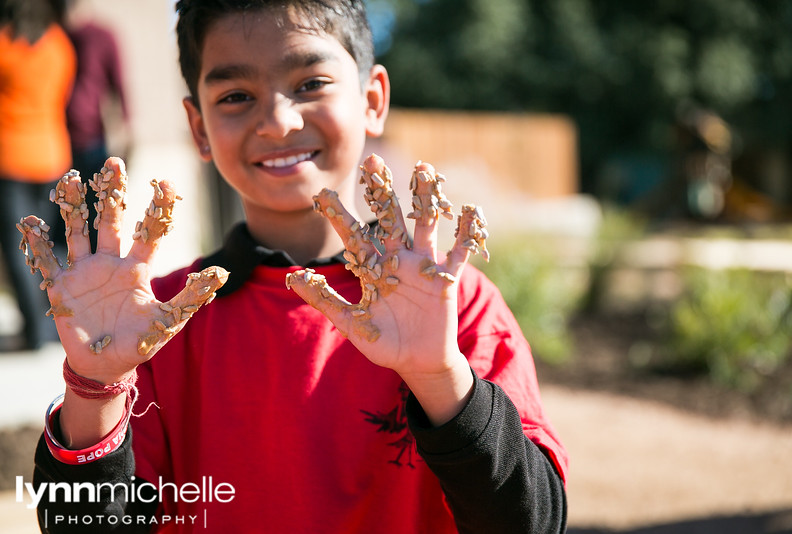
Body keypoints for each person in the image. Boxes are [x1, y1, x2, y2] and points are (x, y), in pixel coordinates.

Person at [24, 1, 568, 532]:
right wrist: (94, 384)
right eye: (236, 95)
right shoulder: (153, 326)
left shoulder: (457, 305)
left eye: (310, 84)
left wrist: (440, 377)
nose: (279, 122)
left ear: (372, 99)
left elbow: (532, 521)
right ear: (199, 129)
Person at [0, 0, 75, 351]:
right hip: (51, 152)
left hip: (11, 155)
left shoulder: (5, 44)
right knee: (44, 243)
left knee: (19, 245)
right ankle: (53, 321)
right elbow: (64, 92)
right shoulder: (58, 43)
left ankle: (35, 330)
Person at [64, 0, 131, 252]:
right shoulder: (58, 36)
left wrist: (125, 138)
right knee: (63, 228)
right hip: (57, 143)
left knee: (96, 223)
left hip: (93, 141)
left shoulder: (103, 36)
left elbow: (120, 87)